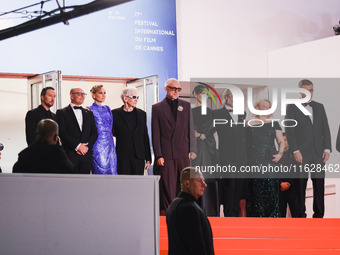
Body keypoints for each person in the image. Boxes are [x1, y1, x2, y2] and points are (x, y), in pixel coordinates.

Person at [285, 79, 331, 218]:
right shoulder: (292, 107)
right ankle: (300, 216)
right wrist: (295, 150)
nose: (309, 93)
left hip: (318, 153)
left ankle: (319, 215)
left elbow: (325, 128)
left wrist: (327, 149)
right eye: (306, 90)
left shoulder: (319, 106)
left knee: (319, 185)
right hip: (301, 154)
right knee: (300, 186)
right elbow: (289, 130)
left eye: (311, 90)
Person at [152, 78, 196, 214]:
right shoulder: (157, 108)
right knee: (168, 188)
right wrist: (159, 154)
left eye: (178, 89)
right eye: (173, 89)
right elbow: (155, 133)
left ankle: (186, 212)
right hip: (167, 155)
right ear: (166, 89)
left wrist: (193, 150)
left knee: (186, 186)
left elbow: (191, 128)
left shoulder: (186, 106)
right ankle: (171, 214)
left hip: (183, 153)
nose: (176, 91)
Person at [246, 99, 285, 217]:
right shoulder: (248, 123)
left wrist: (280, 154)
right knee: (255, 189)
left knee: (270, 188)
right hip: (253, 160)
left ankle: (272, 217)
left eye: (268, 107)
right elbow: (244, 142)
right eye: (264, 106)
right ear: (257, 108)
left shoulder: (274, 123)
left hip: (268, 160)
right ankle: (256, 217)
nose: (266, 109)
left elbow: (281, 141)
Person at [213, 89, 247, 217]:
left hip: (241, 157)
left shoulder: (242, 113)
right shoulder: (216, 113)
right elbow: (211, 132)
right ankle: (229, 218)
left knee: (239, 188)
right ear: (227, 97)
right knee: (229, 187)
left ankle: (237, 221)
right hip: (226, 157)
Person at [166, 167, 214, 255]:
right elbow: (197, 247)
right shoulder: (189, 208)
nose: (204, 184)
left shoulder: (173, 205)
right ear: (187, 183)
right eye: (199, 181)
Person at [191, 84, 219, 216]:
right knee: (197, 176)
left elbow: (215, 131)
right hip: (196, 147)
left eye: (206, 94)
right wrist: (191, 134)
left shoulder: (212, 113)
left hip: (209, 146)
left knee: (209, 177)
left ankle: (211, 211)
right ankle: (196, 210)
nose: (204, 96)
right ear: (195, 94)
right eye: (201, 93)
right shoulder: (190, 112)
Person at [56, 88, 98, 174]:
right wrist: (77, 146)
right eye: (79, 94)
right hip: (70, 155)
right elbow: (62, 132)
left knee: (85, 185)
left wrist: (86, 147)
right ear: (71, 95)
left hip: (86, 156)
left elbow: (94, 133)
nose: (82, 96)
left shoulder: (89, 113)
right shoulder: (61, 112)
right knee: (69, 184)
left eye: (84, 94)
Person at [111, 87, 151, 175]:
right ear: (125, 98)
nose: (136, 100)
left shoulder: (142, 114)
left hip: (139, 156)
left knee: (137, 184)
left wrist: (148, 158)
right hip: (123, 156)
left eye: (137, 97)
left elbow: (145, 136)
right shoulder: (114, 114)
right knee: (124, 184)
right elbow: (110, 132)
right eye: (134, 97)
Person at [88, 85, 117, 175]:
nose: (103, 95)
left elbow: (111, 127)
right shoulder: (89, 109)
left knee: (112, 170)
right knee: (100, 170)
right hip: (97, 144)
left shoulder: (107, 108)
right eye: (100, 93)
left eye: (104, 93)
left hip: (110, 144)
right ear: (93, 94)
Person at [279, 133, 298, 217]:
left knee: (296, 215)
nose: (284, 142)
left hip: (293, 189)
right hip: (280, 190)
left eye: (286, 140)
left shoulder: (295, 155)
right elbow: (273, 173)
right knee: (280, 217)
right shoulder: (275, 156)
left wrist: (288, 183)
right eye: (282, 140)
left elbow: (297, 172)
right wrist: (280, 184)